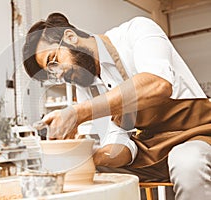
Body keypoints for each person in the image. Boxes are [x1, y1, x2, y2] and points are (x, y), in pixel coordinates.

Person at [22, 13, 211, 200]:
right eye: (52, 73)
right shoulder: (87, 87)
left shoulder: (136, 31)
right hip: (152, 150)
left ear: (70, 37)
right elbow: (122, 143)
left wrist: (79, 112)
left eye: (53, 61)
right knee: (93, 171)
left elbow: (158, 85)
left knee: (187, 160)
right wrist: (86, 158)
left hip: (198, 134)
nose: (60, 75)